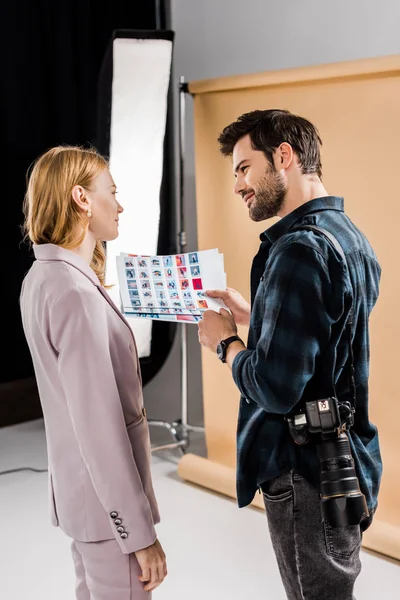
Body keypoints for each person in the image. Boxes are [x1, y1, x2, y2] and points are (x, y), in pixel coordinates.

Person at [198, 110, 382, 600]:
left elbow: (276, 388)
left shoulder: (298, 248)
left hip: (305, 474)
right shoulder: (350, 238)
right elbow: (326, 344)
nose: (237, 185)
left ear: (284, 156)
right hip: (348, 465)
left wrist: (225, 342)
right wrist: (256, 318)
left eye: (243, 168)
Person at [20, 145, 167, 599]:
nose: (119, 205)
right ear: (82, 199)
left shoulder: (43, 277)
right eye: (113, 192)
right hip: (107, 512)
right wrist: (138, 534)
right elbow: (99, 426)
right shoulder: (73, 292)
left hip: (83, 499)